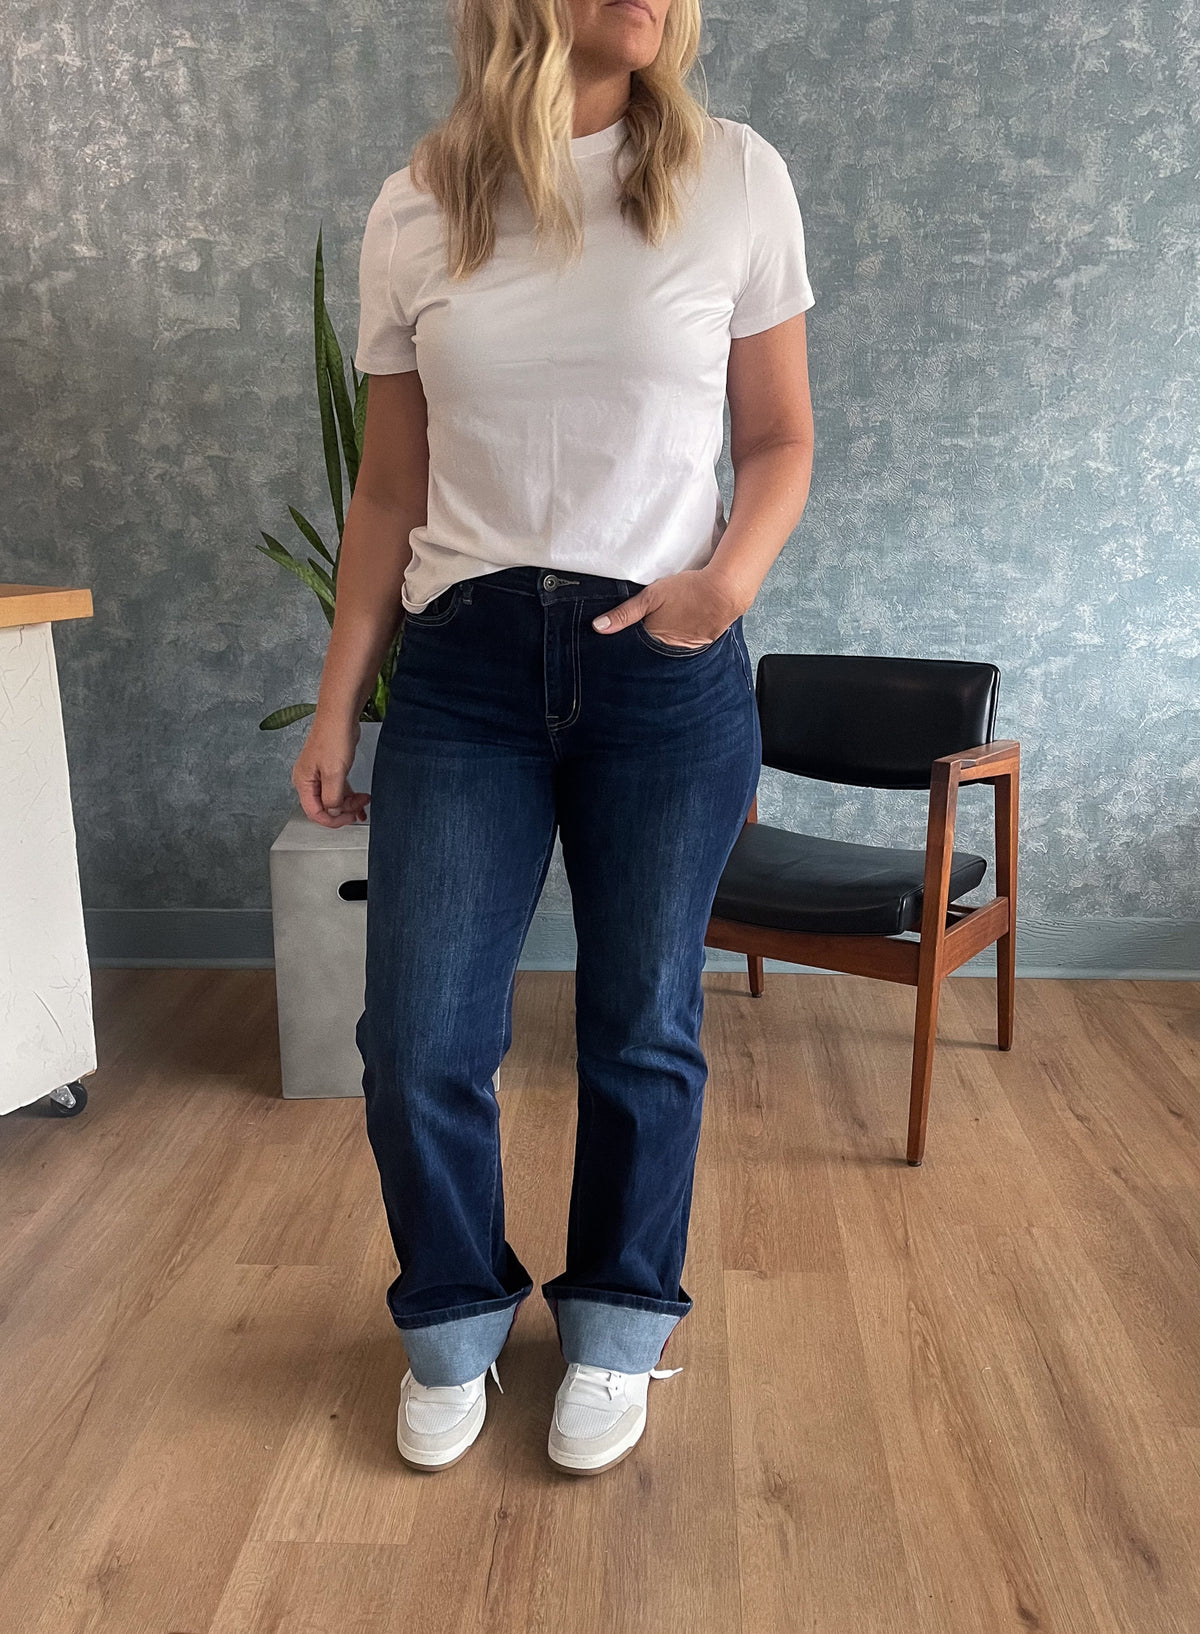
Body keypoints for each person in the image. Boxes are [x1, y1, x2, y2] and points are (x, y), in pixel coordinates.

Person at [292, 0, 815, 1477]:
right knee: (417, 1039)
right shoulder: (422, 205)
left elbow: (779, 440)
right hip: (461, 676)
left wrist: (725, 585)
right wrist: (341, 696)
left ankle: (618, 1313)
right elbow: (390, 493)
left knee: (642, 1024)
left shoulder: (733, 177)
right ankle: (453, 1311)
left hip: (664, 672)